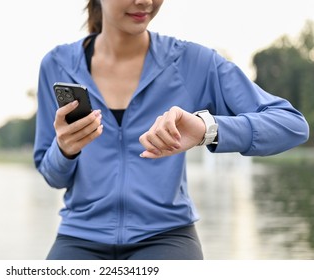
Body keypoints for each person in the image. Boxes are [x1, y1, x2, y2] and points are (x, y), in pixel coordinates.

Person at [33, 0, 310, 260]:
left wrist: (207, 129)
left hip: (167, 237)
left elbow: (291, 125)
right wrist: (65, 150)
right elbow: (52, 175)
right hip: (79, 237)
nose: (145, 1)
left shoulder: (193, 63)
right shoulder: (57, 65)